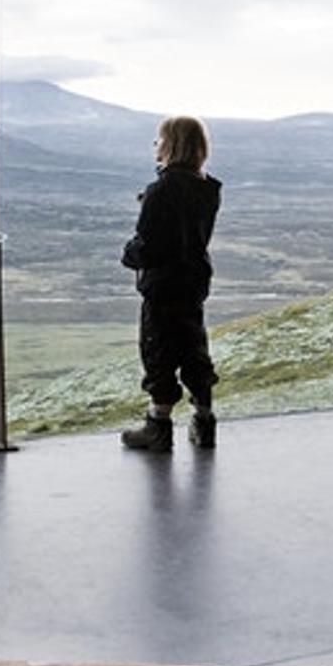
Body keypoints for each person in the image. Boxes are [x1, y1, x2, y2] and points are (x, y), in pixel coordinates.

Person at [119, 115, 222, 452]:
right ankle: (204, 421)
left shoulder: (160, 191)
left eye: (159, 139)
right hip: (193, 282)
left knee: (159, 351)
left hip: (163, 285)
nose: (155, 145)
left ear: (171, 144)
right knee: (194, 348)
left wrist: (129, 254)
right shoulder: (207, 188)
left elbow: (149, 246)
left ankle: (158, 427)